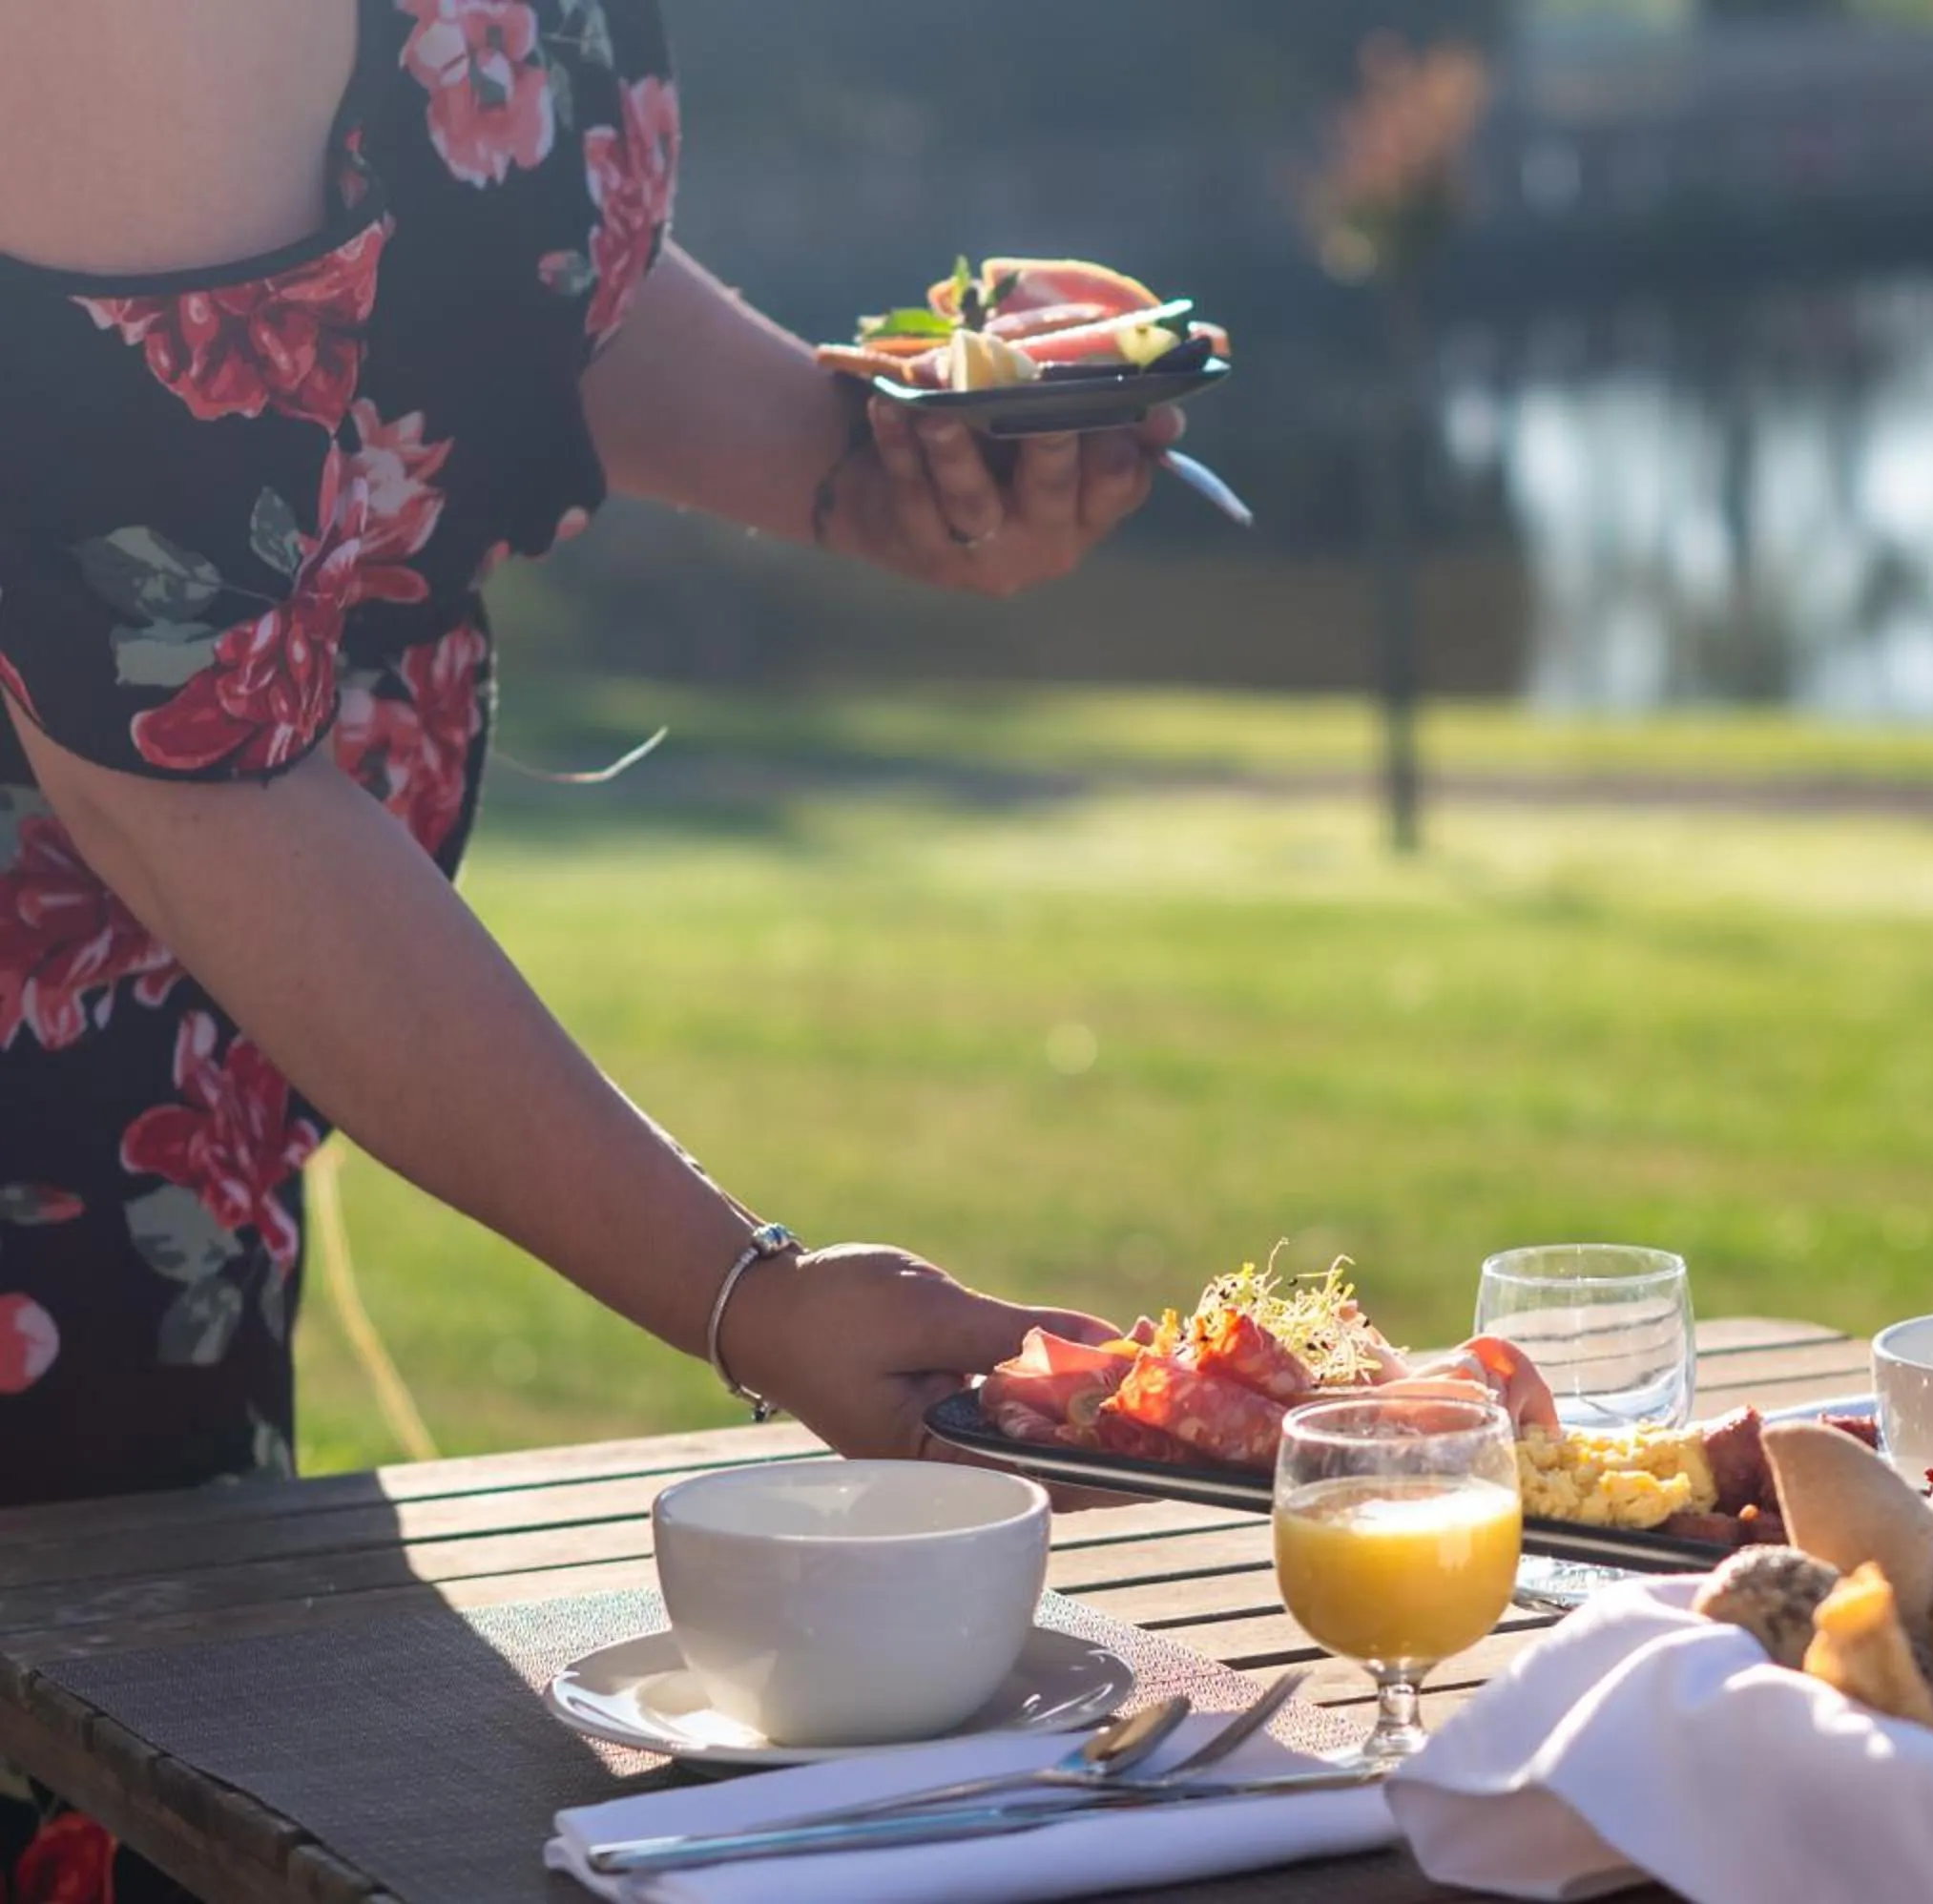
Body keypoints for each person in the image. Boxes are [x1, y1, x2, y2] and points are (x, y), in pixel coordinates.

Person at [0, 3, 1152, 1893]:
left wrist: (858, 472)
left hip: (172, 1091)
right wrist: (748, 1294)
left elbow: (479, 250)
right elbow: (175, 762)